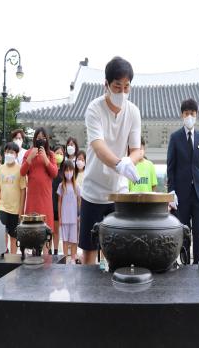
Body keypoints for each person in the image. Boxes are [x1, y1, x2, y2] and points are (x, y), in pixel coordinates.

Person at [79, 56, 141, 266]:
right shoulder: (94, 109)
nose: (122, 93)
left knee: (117, 249)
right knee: (89, 249)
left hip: (118, 191)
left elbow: (136, 150)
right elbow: (98, 146)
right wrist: (119, 163)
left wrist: (128, 162)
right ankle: (87, 293)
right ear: (106, 84)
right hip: (94, 190)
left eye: (126, 87)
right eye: (117, 87)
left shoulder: (133, 112)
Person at [167, 98, 199, 264]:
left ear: (196, 115)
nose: (189, 117)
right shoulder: (175, 138)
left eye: (192, 113)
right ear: (182, 115)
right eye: (186, 114)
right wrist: (171, 192)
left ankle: (198, 264)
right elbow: (170, 167)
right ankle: (185, 263)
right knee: (184, 231)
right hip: (181, 193)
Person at [20, 128, 58, 254]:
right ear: (34, 138)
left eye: (43, 137)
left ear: (46, 139)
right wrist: (30, 158)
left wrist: (45, 159)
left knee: (47, 230)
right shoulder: (29, 153)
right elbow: (22, 172)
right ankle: (32, 256)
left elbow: (54, 173)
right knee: (31, 229)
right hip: (32, 198)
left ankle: (47, 258)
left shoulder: (50, 154)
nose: (40, 139)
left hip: (46, 198)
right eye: (38, 137)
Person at [0, 142, 26, 254]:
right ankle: (4, 254)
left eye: (11, 152)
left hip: (15, 209)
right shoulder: (1, 169)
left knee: (13, 236)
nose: (9, 154)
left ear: (16, 154)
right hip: (3, 207)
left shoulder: (20, 170)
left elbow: (23, 191)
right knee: (2, 232)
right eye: (7, 152)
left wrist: (21, 211)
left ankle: (13, 258)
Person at [57, 160, 81, 262]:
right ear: (63, 172)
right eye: (66, 170)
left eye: (70, 170)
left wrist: (79, 215)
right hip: (64, 218)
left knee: (73, 240)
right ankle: (65, 258)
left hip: (74, 218)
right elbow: (59, 202)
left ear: (73, 171)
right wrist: (60, 216)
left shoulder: (77, 186)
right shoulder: (61, 186)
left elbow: (80, 201)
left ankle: (73, 258)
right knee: (65, 240)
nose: (68, 172)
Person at [51, 145, 65, 255]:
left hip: (59, 203)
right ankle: (48, 250)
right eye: (57, 153)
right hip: (48, 202)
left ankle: (55, 250)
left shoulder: (64, 171)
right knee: (48, 230)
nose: (59, 155)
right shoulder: (50, 168)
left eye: (61, 154)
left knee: (56, 230)